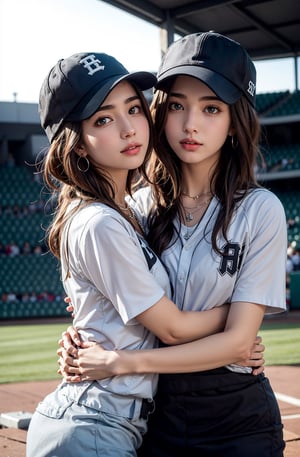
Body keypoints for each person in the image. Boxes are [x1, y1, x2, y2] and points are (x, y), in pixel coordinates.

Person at [58, 32, 287, 457]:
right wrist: (79, 335)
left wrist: (121, 363)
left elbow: (239, 343)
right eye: (177, 105)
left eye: (211, 108)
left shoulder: (261, 210)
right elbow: (112, 305)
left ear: (235, 121)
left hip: (237, 417)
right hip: (153, 418)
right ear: (160, 112)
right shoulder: (133, 209)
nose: (190, 124)